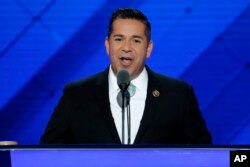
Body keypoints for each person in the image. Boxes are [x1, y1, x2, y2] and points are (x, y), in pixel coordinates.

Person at [40, 8, 211, 144]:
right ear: (108, 45)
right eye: (119, 39)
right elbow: (48, 153)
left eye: (136, 40)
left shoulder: (179, 94)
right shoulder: (76, 94)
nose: (126, 47)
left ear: (148, 48)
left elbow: (204, 155)